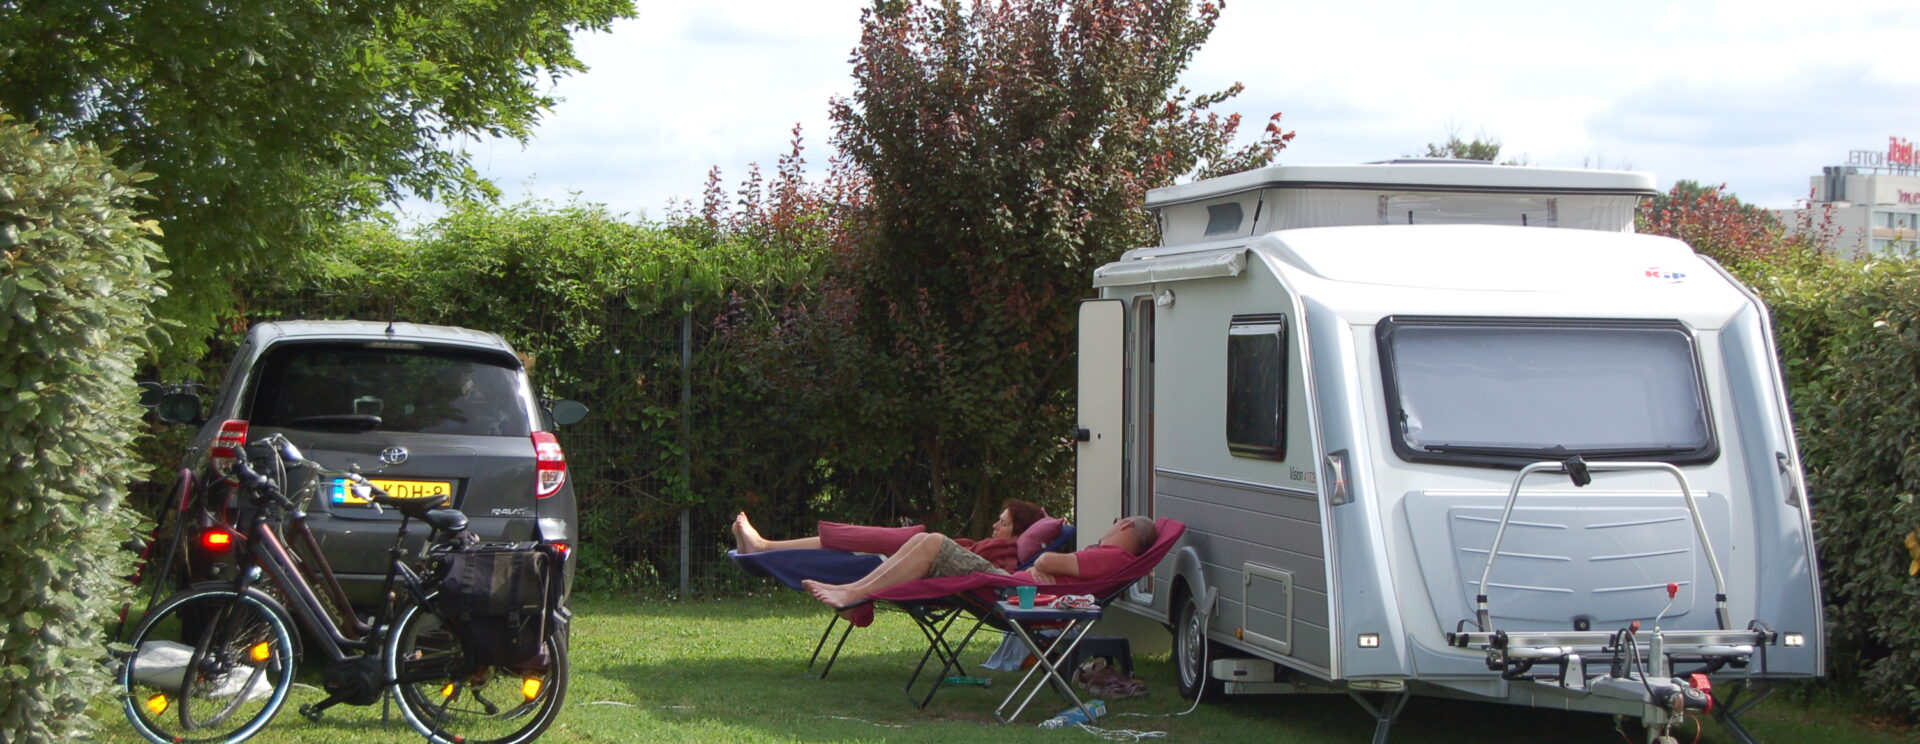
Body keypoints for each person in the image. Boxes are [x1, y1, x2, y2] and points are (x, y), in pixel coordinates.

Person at [803, 515, 1157, 610]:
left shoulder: (1111, 556)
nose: (1110, 527)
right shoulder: (1112, 558)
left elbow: (1049, 560)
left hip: (1013, 591)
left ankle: (854, 594)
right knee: (923, 540)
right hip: (1017, 585)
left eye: (1117, 522)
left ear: (1125, 526)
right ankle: (852, 591)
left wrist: (1049, 561)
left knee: (934, 543)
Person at [732, 499, 1045, 572]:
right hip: (928, 550)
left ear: (1018, 533)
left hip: (928, 560)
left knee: (855, 539)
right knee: (853, 542)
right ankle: (762, 546)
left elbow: (989, 573)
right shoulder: (1000, 548)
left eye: (1002, 523)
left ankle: (764, 545)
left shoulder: (1008, 557)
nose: (995, 526)